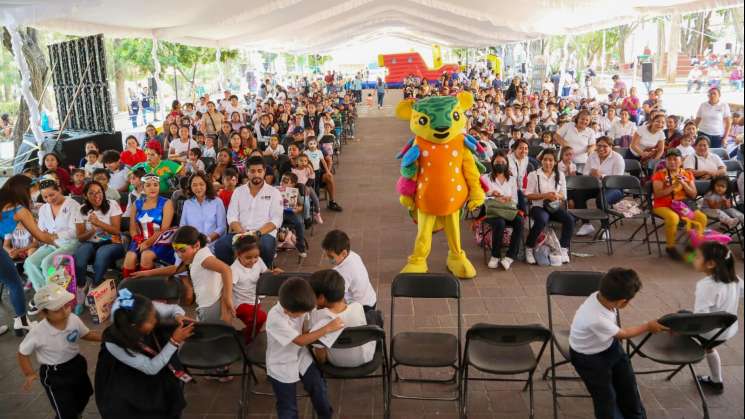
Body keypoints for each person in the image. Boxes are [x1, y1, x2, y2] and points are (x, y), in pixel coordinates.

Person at [569, 268, 667, 419]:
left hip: (608, 345)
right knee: (606, 398)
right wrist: (648, 326)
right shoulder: (595, 317)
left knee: (628, 386)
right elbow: (624, 334)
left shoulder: (600, 296)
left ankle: (636, 415)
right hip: (588, 359)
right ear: (622, 302)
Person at [95, 290, 194, 419]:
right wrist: (174, 341)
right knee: (126, 406)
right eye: (151, 320)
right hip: (125, 368)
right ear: (134, 326)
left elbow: (174, 308)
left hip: (148, 350)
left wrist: (178, 315)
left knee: (167, 388)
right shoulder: (114, 343)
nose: (156, 319)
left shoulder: (144, 308)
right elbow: (150, 368)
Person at [17, 283, 101, 419]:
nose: (65, 311)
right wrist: (29, 373)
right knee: (64, 408)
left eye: (66, 305)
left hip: (76, 363)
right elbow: (23, 353)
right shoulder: (38, 332)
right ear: (44, 313)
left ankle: (76, 413)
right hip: (55, 374)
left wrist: (106, 337)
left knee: (85, 393)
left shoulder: (73, 319)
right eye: (57, 309)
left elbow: (86, 334)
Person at [266, 277, 343, 419]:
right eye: (299, 313)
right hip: (281, 362)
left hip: (301, 355)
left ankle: (326, 416)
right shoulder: (275, 318)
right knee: (288, 407)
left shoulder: (303, 302)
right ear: (287, 310)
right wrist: (327, 328)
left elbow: (303, 330)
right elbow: (300, 340)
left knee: (318, 387)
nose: (303, 315)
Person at [0, 176, 58, 335]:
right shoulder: (19, 210)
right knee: (14, 283)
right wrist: (53, 239)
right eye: (32, 191)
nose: (34, 194)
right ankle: (22, 322)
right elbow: (39, 236)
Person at [692, 242, 743, 393]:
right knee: (710, 347)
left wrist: (680, 328)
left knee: (678, 318)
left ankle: (681, 352)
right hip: (727, 331)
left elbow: (700, 318)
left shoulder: (706, 285)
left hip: (709, 332)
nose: (693, 259)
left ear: (710, 264)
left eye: (697, 257)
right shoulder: (735, 279)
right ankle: (716, 380)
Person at [214, 156, 284, 267]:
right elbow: (232, 216)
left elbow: (277, 220)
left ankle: (261, 276)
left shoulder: (274, 193)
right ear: (247, 172)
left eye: (259, 171)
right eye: (252, 171)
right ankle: (234, 272)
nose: (256, 174)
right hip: (240, 232)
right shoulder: (238, 191)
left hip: (263, 234)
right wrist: (241, 232)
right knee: (220, 246)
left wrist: (257, 233)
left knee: (265, 247)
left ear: (264, 171)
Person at [309, 269, 375, 367]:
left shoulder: (316, 318)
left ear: (321, 298)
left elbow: (321, 357)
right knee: (373, 315)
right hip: (365, 357)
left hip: (336, 362)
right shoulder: (357, 307)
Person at [24, 178, 81, 292]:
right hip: (51, 244)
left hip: (70, 243)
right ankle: (44, 292)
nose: (49, 199)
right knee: (30, 262)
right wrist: (43, 234)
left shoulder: (73, 205)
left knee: (47, 264)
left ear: (59, 190)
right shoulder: (44, 209)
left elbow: (75, 231)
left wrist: (55, 235)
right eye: (45, 197)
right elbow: (41, 229)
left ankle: (58, 294)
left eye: (52, 195)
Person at [73, 181, 125, 302]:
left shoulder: (112, 204)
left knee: (102, 254)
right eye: (91, 193)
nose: (97, 196)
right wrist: (92, 230)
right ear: (85, 196)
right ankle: (81, 286)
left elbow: (117, 231)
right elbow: (80, 237)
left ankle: (95, 285)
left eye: (99, 192)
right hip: (91, 242)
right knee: (80, 255)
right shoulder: (81, 210)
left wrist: (98, 223)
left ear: (103, 193)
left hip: (113, 242)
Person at [651, 148, 707, 259]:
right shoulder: (659, 174)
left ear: (680, 161)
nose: (672, 162)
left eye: (675, 159)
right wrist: (673, 186)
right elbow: (657, 195)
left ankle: (693, 246)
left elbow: (693, 195)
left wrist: (684, 184)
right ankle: (670, 247)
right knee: (673, 218)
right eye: (669, 159)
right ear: (665, 161)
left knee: (702, 218)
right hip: (663, 205)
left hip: (682, 205)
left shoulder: (687, 174)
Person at [524, 149, 574, 265]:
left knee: (570, 220)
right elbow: (528, 196)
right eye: (545, 160)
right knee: (542, 219)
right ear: (541, 161)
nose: (548, 163)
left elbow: (564, 195)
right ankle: (529, 247)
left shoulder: (560, 175)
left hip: (554, 207)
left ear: (555, 162)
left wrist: (556, 196)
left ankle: (563, 249)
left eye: (551, 160)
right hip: (538, 207)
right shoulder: (534, 175)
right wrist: (545, 195)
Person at [231, 233, 282, 342]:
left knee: (255, 322)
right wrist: (228, 305)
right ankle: (248, 340)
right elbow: (228, 287)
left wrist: (274, 272)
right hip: (240, 304)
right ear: (238, 255)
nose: (253, 261)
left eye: (256, 257)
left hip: (254, 300)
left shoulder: (258, 261)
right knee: (261, 317)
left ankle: (247, 334)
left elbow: (266, 272)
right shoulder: (234, 270)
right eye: (248, 258)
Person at [122, 174, 175, 278]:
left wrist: (147, 243)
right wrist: (138, 240)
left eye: (155, 185)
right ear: (142, 187)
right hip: (140, 239)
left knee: (146, 255)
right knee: (130, 257)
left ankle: (146, 288)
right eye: (148, 185)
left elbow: (164, 229)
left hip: (160, 240)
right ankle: (127, 290)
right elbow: (132, 229)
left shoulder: (167, 203)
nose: (152, 188)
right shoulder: (136, 204)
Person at [480, 151, 522, 270]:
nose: (500, 164)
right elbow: (481, 198)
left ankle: (510, 256)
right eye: (497, 162)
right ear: (492, 163)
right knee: (500, 223)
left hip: (507, 209)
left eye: (503, 162)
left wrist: (508, 199)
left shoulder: (512, 179)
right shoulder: (485, 178)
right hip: (493, 211)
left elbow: (515, 199)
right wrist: (492, 195)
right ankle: (495, 255)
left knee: (519, 221)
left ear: (506, 164)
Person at [321, 229, 377, 311]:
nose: (328, 259)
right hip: (371, 298)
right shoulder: (353, 255)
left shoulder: (343, 273)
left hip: (362, 308)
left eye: (331, 257)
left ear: (344, 253)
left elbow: (339, 298)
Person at [179, 172, 227, 244]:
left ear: (206, 185)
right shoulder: (187, 203)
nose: (198, 188)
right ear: (190, 187)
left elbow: (222, 227)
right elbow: (182, 226)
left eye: (201, 184)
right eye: (194, 185)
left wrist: (207, 239)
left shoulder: (217, 202)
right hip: (192, 244)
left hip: (212, 243)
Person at [278, 173, 308, 257]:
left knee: (299, 224)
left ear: (293, 184)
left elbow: (301, 205)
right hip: (278, 214)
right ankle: (275, 245)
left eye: (285, 181)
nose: (282, 183)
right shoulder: (276, 191)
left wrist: (298, 209)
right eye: (281, 180)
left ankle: (301, 247)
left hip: (290, 213)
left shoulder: (295, 192)